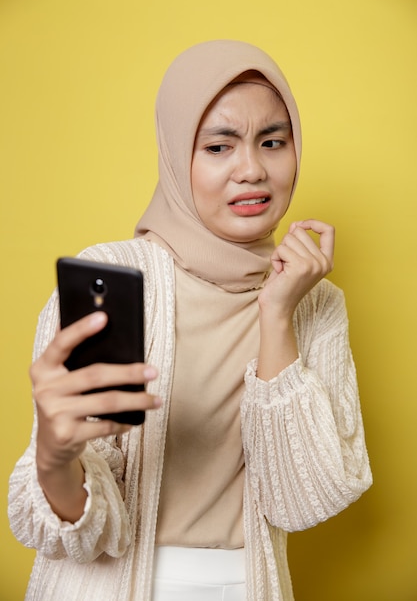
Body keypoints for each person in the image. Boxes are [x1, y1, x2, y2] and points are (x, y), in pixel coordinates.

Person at [8, 40, 372, 601]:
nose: (251, 169)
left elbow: (302, 501)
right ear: (179, 157)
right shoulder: (112, 278)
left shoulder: (316, 303)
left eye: (272, 142)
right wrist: (58, 459)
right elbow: (82, 533)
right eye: (219, 146)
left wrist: (277, 315)